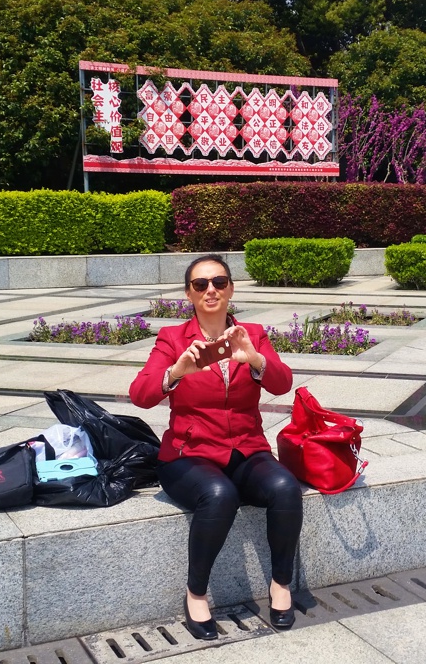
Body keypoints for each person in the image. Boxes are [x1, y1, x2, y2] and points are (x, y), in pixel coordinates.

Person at [129, 254, 301, 639]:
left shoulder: (252, 333)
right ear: (188, 293)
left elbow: (282, 383)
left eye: (219, 282)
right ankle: (196, 594)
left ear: (231, 289)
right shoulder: (172, 338)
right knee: (220, 494)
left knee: (285, 487)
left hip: (246, 449)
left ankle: (281, 584)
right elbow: (140, 394)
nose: (211, 290)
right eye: (201, 284)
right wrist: (176, 372)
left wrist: (254, 358)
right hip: (187, 456)